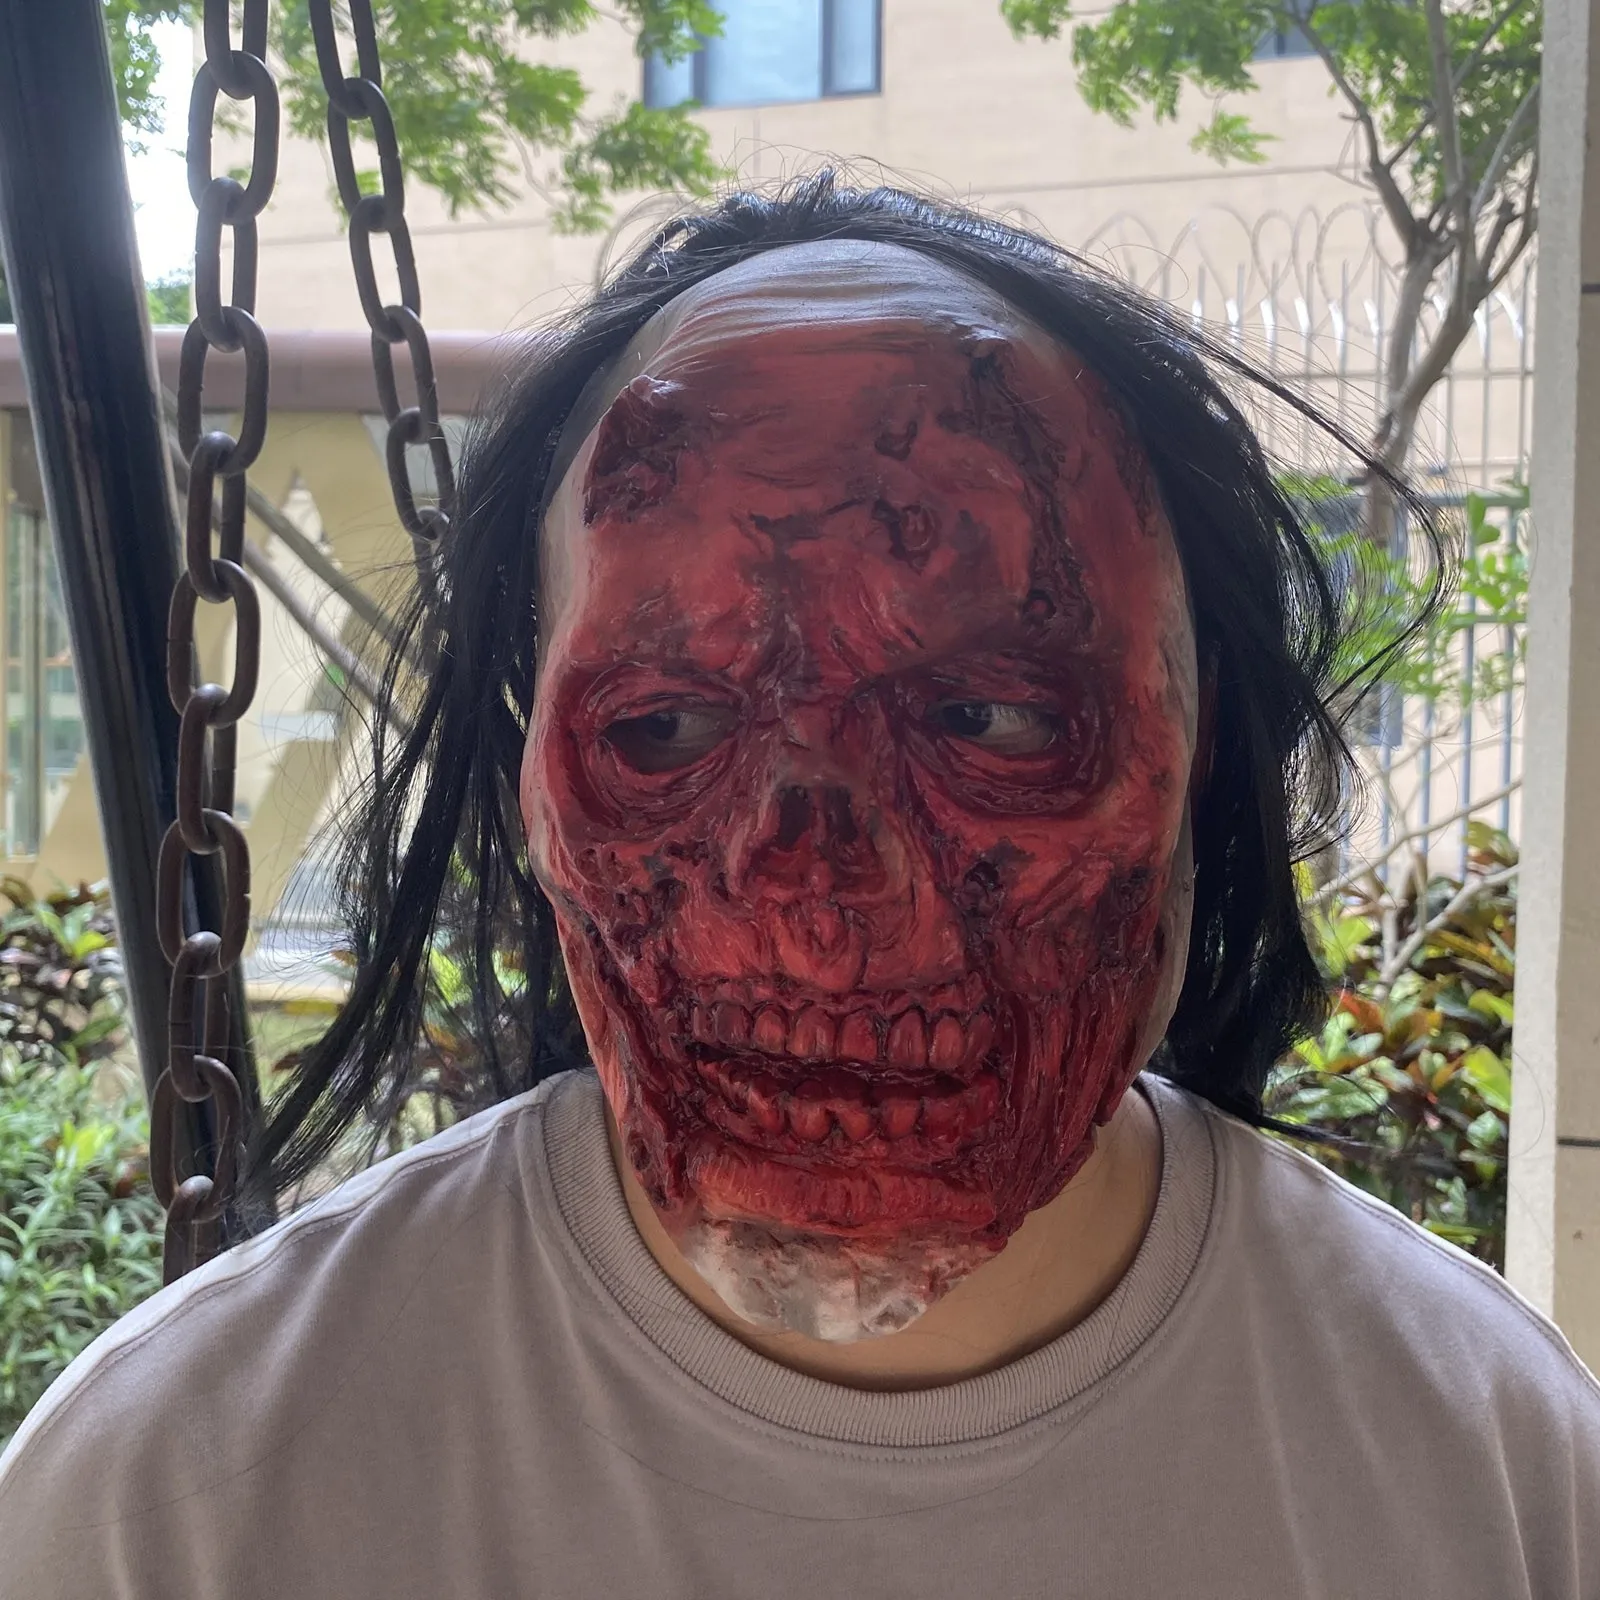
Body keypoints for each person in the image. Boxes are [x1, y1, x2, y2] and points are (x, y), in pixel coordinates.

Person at [1, 174, 1596, 1598]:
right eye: (666, 728)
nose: (811, 868)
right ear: (536, 780)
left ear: (1200, 748)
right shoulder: (167, 1508)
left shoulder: (1494, 1471)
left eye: (990, 718)